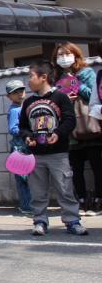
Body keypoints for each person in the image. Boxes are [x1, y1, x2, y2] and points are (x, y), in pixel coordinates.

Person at [19, 61, 87, 236]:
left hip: (58, 153)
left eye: (31, 76)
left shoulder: (60, 97)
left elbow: (70, 120)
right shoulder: (28, 102)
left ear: (43, 77)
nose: (28, 80)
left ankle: (72, 221)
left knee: (65, 189)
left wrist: (58, 133)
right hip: (36, 155)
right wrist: (27, 137)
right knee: (37, 192)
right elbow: (23, 126)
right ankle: (40, 221)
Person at [52, 42, 102, 214]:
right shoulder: (56, 78)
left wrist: (75, 84)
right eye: (60, 55)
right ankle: (81, 200)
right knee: (75, 168)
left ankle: (98, 200)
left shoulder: (87, 73)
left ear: (75, 55)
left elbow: (93, 95)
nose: (63, 58)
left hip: (89, 125)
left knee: (97, 165)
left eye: (67, 54)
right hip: (70, 128)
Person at [5, 79, 32, 216]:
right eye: (15, 92)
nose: (20, 94)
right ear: (9, 96)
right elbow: (13, 129)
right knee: (24, 179)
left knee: (27, 179)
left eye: (21, 90)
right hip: (20, 148)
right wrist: (28, 132)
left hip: (25, 147)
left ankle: (28, 205)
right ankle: (27, 206)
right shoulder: (15, 110)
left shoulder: (24, 107)